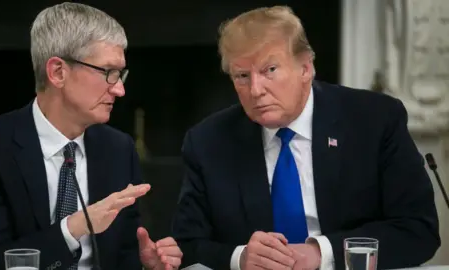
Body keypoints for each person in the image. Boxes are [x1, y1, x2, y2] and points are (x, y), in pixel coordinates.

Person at [172, 5, 440, 270]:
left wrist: (321, 253)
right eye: (242, 76)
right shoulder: (208, 141)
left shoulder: (374, 120)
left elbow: (418, 230)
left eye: (270, 70)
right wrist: (240, 258)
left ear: (306, 68)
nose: (255, 90)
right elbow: (186, 244)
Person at [0, 3, 182, 270]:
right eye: (108, 73)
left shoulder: (118, 148)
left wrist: (148, 265)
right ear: (58, 72)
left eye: (121, 74)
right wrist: (74, 227)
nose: (119, 90)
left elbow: (126, 251)